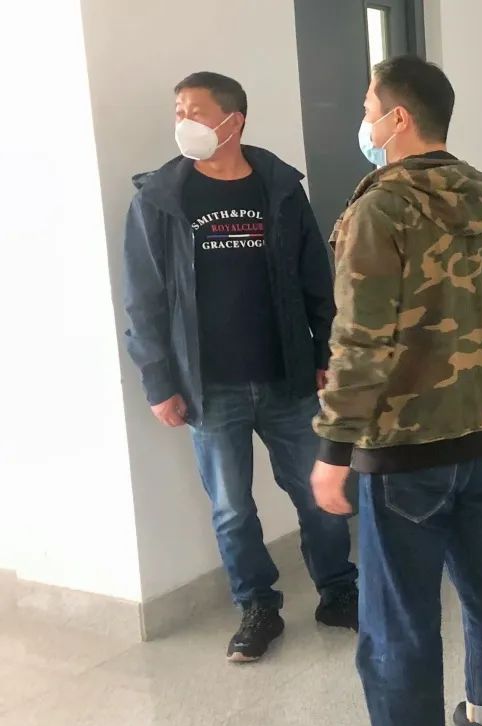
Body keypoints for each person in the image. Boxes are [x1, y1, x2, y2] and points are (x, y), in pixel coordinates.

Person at [309, 56, 482, 726]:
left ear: (397, 118)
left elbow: (360, 340)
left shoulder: (381, 208)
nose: (364, 120)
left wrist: (334, 448)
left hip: (403, 449)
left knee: (397, 615)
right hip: (480, 435)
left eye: (369, 106)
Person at [123, 72, 358, 663]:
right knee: (231, 508)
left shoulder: (279, 188)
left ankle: (338, 591)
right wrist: (158, 381)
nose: (184, 122)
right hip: (209, 387)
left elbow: (316, 278)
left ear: (234, 121)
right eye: (179, 111)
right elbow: (144, 298)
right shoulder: (159, 198)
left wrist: (325, 354)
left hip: (288, 377)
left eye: (196, 111)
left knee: (319, 493)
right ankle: (258, 607)